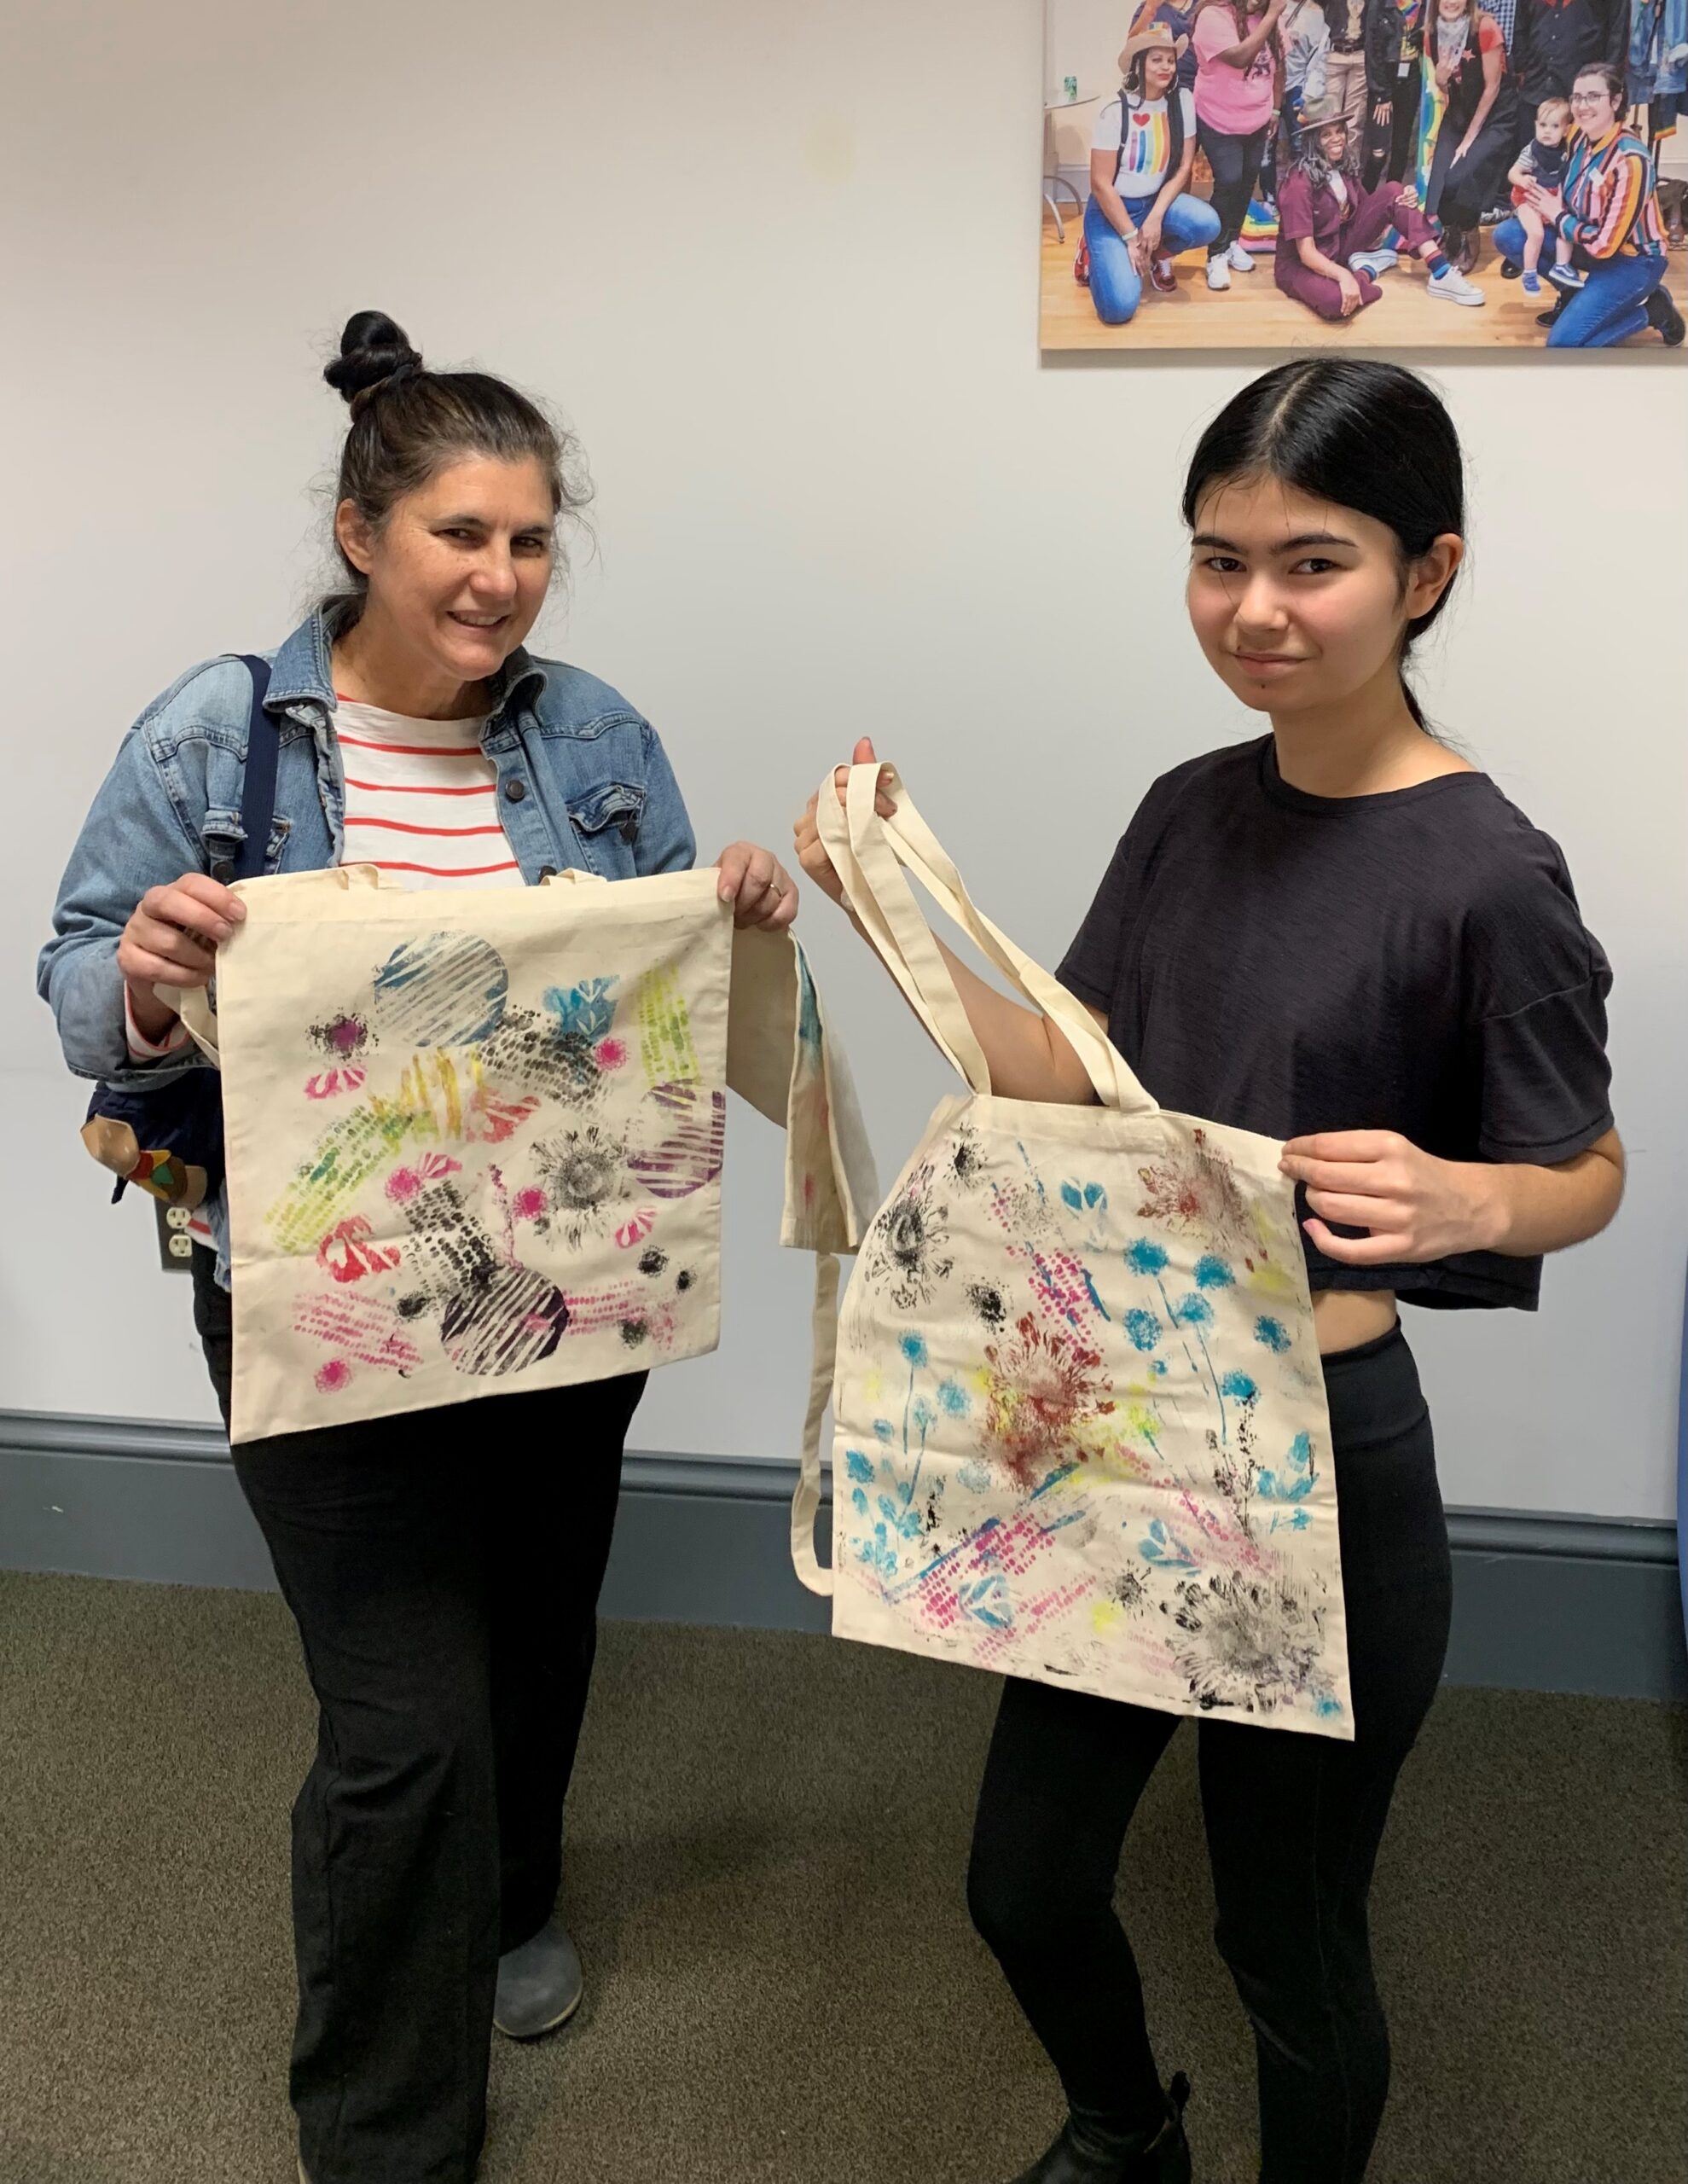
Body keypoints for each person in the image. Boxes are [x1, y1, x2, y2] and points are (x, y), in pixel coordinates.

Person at [795, 357, 1622, 2184]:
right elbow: (1084, 1086)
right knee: (1017, 1880)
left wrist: (1469, 1201)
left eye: (1308, 561)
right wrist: (890, 917)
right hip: (1115, 1427)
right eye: (1213, 557)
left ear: (1424, 570)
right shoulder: (1185, 804)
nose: (1251, 608)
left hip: (1319, 1454)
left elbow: (1583, 1170)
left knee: (1286, 1936)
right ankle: (1120, 2127)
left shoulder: (1486, 870)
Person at [38, 311, 799, 2184]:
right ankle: (386, 2139)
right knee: (401, 1720)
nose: (500, 577)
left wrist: (736, 915)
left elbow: (654, 998)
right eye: (462, 533)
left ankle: (513, 1892)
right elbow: (74, 978)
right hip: (322, 1302)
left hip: (563, 1284)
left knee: (535, 1635)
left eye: (531, 539)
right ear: (364, 530)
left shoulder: (596, 733)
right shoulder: (218, 734)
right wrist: (141, 975)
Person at [1494, 61, 1685, 340]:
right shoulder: (1578, 137)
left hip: (1633, 262)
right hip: (1585, 242)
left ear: (1616, 100)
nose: (1583, 106)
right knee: (1509, 234)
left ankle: (1654, 311)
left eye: (1593, 97)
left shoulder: (1631, 162)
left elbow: (1605, 246)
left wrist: (1557, 216)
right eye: (1577, 97)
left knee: (1563, 345)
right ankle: (1573, 293)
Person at [1275, 96, 1487, 310]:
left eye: (1339, 131)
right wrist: (1345, 276)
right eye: (1326, 134)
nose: (1337, 138)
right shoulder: (1298, 183)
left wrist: (1405, 198)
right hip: (1301, 264)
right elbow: (1306, 253)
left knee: (1395, 191)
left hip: (1340, 245)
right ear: (1313, 140)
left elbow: (1369, 210)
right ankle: (1367, 270)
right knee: (1336, 301)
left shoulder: (1342, 166)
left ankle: (1441, 272)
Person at [1082, 24, 1224, 319]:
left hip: (1153, 203)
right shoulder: (1115, 109)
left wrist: (1156, 217)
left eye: (1171, 60)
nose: (1167, 67)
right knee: (1118, 310)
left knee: (1208, 223)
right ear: (1139, 63)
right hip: (1112, 213)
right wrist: (1130, 237)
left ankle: (1154, 256)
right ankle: (1092, 256)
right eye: (1156, 59)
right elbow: (1100, 184)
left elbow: (1185, 165)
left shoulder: (1181, 101)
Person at [1192, 0, 1286, 287]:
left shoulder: (1269, 18)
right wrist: (1271, 16)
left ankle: (1232, 241)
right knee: (1229, 180)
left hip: (1256, 118)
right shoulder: (1213, 16)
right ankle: (1216, 253)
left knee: (1247, 181)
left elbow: (1278, 69)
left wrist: (1276, 110)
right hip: (1217, 116)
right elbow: (1239, 57)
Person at [1423, 0, 1520, 265]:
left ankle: (1468, 230)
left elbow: (1492, 88)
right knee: (1440, 182)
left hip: (1495, 115)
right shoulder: (1431, 34)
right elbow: (1449, 88)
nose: (1452, 2)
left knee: (1461, 175)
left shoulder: (1485, 28)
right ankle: (1451, 231)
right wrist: (1440, 81)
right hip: (1460, 112)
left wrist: (1469, 139)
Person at [1505, 92, 1578, 288]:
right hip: (1529, 199)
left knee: (1566, 231)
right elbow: (1512, 173)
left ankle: (1563, 266)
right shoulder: (1533, 150)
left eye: (1555, 126)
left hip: (1554, 200)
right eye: (1543, 125)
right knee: (1536, 233)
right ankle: (1529, 273)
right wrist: (1522, 179)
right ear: (1536, 125)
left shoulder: (1568, 150)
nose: (1547, 131)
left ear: (1566, 130)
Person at [1362, 0, 1430, 185]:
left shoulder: (1425, 5)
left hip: (1411, 74)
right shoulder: (1379, 4)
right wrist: (1381, 93)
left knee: (1402, 143)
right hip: (1384, 75)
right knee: (1379, 150)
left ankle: (1391, 196)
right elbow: (1371, 49)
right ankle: (1365, 198)